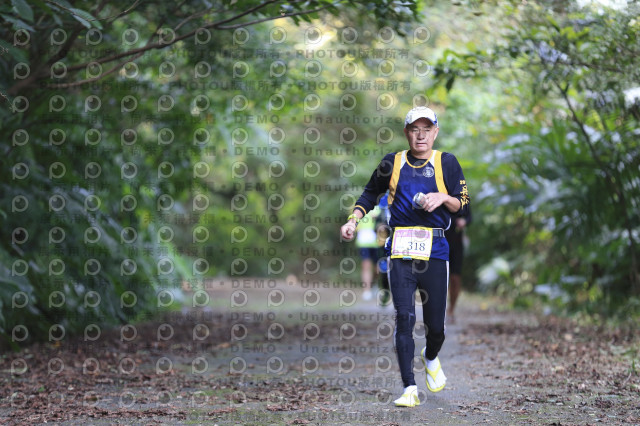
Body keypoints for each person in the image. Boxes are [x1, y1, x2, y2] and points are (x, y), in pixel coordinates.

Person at [340, 106, 470, 407]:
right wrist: (353, 220)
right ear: (406, 133)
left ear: (435, 132)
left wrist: (443, 198)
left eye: (427, 129)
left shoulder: (447, 163)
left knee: (436, 327)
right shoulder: (392, 162)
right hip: (400, 250)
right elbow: (369, 194)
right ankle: (409, 388)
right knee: (404, 319)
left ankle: (430, 356)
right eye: (415, 129)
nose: (421, 135)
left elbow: (463, 203)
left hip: (435, 251)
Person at [445, 206, 471, 324]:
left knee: (455, 278)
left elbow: (469, 217)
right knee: (439, 278)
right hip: (440, 242)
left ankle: (451, 309)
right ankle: (438, 310)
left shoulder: (463, 198)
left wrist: (464, 221)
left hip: (457, 244)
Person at [354, 205, 382, 301]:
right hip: (363, 241)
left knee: (378, 268)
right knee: (366, 265)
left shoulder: (380, 207)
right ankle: (367, 291)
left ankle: (375, 284)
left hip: (377, 242)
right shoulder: (359, 206)